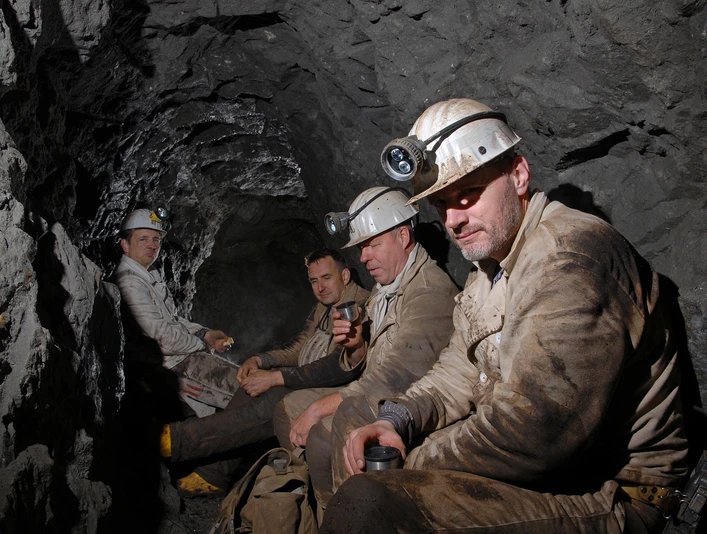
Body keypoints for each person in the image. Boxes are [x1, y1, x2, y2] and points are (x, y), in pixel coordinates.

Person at [320, 98, 690, 534]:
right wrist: (395, 420)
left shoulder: (571, 258)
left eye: (468, 194)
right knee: (361, 421)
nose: (454, 220)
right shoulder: (489, 269)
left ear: (518, 175)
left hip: (611, 492)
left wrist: (408, 462)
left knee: (371, 497)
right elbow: (457, 372)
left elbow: (537, 433)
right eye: (441, 203)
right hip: (546, 467)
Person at [271, 187, 459, 510]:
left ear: (403, 237)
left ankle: (335, 515)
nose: (363, 257)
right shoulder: (384, 291)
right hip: (368, 391)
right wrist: (357, 345)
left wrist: (317, 410)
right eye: (361, 247)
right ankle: (308, 501)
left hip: (401, 401)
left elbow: (396, 378)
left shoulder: (429, 292)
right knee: (286, 408)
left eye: (372, 244)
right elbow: (365, 362)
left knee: (320, 435)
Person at [159, 249, 369, 496]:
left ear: (345, 276)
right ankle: (213, 474)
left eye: (326, 278)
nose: (320, 287)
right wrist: (260, 360)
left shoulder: (359, 308)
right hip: (312, 379)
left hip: (341, 389)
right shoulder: (325, 306)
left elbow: (338, 367)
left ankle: (176, 440)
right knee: (252, 383)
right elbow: (299, 347)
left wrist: (276, 377)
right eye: (314, 281)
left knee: (274, 397)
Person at [116, 208, 239, 419]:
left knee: (247, 384)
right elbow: (161, 337)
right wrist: (201, 344)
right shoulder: (129, 282)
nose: (152, 245)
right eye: (143, 239)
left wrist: (205, 333)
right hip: (175, 365)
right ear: (125, 245)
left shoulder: (148, 276)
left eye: (156, 239)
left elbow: (173, 320)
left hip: (181, 357)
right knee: (247, 390)